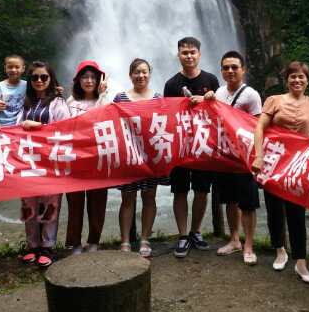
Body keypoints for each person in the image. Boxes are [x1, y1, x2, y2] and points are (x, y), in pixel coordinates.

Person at [251, 61, 309, 283]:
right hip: (273, 162)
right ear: (287, 80)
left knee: (297, 212)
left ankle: (301, 262)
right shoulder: (274, 100)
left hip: (299, 164)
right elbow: (259, 127)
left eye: (301, 77)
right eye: (293, 76)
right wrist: (258, 156)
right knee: (274, 209)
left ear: (307, 81)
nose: (297, 80)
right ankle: (280, 250)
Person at [200, 51, 262, 266]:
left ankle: (249, 246)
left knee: (248, 203)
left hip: (244, 157)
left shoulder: (251, 95)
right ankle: (234, 239)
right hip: (224, 156)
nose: (230, 71)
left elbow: (257, 127)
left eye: (234, 67)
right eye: (226, 67)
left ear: (243, 69)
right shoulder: (218, 92)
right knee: (229, 200)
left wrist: (257, 157)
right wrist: (206, 100)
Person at [163, 37, 219, 259]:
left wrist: (208, 101)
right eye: (184, 52)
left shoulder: (211, 80)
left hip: (204, 144)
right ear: (178, 55)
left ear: (199, 54)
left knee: (202, 190)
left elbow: (220, 111)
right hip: (180, 146)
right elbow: (165, 116)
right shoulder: (171, 84)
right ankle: (183, 235)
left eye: (192, 52)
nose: (188, 55)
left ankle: (196, 231)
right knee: (180, 190)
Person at [19, 61, 71, 267]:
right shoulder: (25, 103)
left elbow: (65, 128)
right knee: (28, 204)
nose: (39, 81)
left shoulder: (58, 103)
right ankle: (32, 245)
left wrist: (38, 126)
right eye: (35, 77)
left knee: (50, 204)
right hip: (28, 160)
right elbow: (15, 128)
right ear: (30, 81)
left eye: (44, 77)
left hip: (51, 161)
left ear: (51, 80)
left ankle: (47, 247)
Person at [114, 58, 162, 258]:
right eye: (136, 72)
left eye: (144, 72)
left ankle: (144, 239)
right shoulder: (120, 98)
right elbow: (112, 124)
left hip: (151, 156)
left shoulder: (158, 98)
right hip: (129, 155)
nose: (141, 75)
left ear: (149, 74)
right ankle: (125, 241)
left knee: (149, 197)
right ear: (130, 75)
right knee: (128, 198)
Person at [65, 60, 110, 253]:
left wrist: (103, 93)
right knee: (75, 203)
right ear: (78, 80)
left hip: (98, 157)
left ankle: (94, 241)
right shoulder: (70, 102)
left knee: (98, 201)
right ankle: (75, 242)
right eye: (85, 77)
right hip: (75, 158)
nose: (89, 80)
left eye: (93, 77)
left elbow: (105, 117)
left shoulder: (106, 100)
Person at [0, 55, 27, 127]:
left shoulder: (27, 85)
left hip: (20, 125)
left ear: (23, 69)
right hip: (0, 125)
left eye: (17, 67)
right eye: (10, 67)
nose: (13, 70)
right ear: (5, 68)